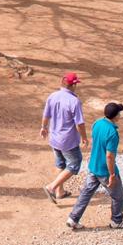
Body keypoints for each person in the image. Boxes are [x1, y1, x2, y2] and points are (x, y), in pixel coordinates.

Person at [67, 102, 123, 230]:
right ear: (116, 116)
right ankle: (116, 221)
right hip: (105, 171)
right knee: (118, 197)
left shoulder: (97, 123)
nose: (120, 115)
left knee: (86, 193)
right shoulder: (113, 133)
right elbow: (109, 156)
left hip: (93, 167)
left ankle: (73, 218)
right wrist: (112, 175)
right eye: (119, 113)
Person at [41, 72, 89, 201]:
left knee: (60, 164)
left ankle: (59, 192)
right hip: (67, 140)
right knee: (74, 163)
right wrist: (84, 137)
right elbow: (79, 123)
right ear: (73, 85)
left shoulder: (53, 96)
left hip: (54, 138)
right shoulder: (74, 101)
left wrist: (44, 127)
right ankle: (52, 187)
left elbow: (46, 114)